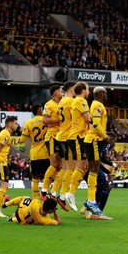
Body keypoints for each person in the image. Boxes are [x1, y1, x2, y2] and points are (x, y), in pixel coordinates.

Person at [83, 86, 109, 217]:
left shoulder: (95, 104)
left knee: (94, 170)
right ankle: (91, 201)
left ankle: (89, 203)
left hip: (93, 139)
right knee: (94, 170)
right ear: (99, 93)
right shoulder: (98, 105)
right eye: (105, 93)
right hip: (94, 139)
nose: (106, 95)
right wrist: (105, 137)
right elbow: (96, 125)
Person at [64, 81, 90, 211]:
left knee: (84, 166)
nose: (89, 91)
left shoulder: (76, 101)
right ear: (84, 91)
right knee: (81, 166)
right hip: (77, 137)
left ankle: (71, 192)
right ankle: (70, 193)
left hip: (76, 137)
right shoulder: (81, 101)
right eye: (88, 89)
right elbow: (87, 119)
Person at [51, 81, 76, 211]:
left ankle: (55, 192)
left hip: (61, 136)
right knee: (70, 168)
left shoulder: (62, 101)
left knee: (65, 168)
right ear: (72, 89)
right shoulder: (71, 102)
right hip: (67, 137)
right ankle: (60, 194)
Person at [0, 116, 20, 218]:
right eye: (15, 123)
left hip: (1, 162)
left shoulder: (4, 133)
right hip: (0, 163)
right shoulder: (5, 134)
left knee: (3, 187)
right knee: (4, 186)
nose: (17, 125)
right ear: (10, 124)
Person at [19, 105, 49, 199]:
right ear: (40, 111)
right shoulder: (47, 121)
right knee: (46, 179)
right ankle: (46, 198)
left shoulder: (28, 123)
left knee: (35, 179)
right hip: (46, 155)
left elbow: (21, 142)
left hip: (35, 155)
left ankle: (35, 200)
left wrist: (24, 149)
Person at [41, 84, 63, 201]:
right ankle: (44, 190)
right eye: (60, 90)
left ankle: (51, 190)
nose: (62, 92)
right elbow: (45, 120)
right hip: (52, 136)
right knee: (55, 164)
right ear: (55, 92)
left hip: (62, 136)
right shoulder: (49, 104)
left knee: (61, 166)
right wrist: (60, 119)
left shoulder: (63, 103)